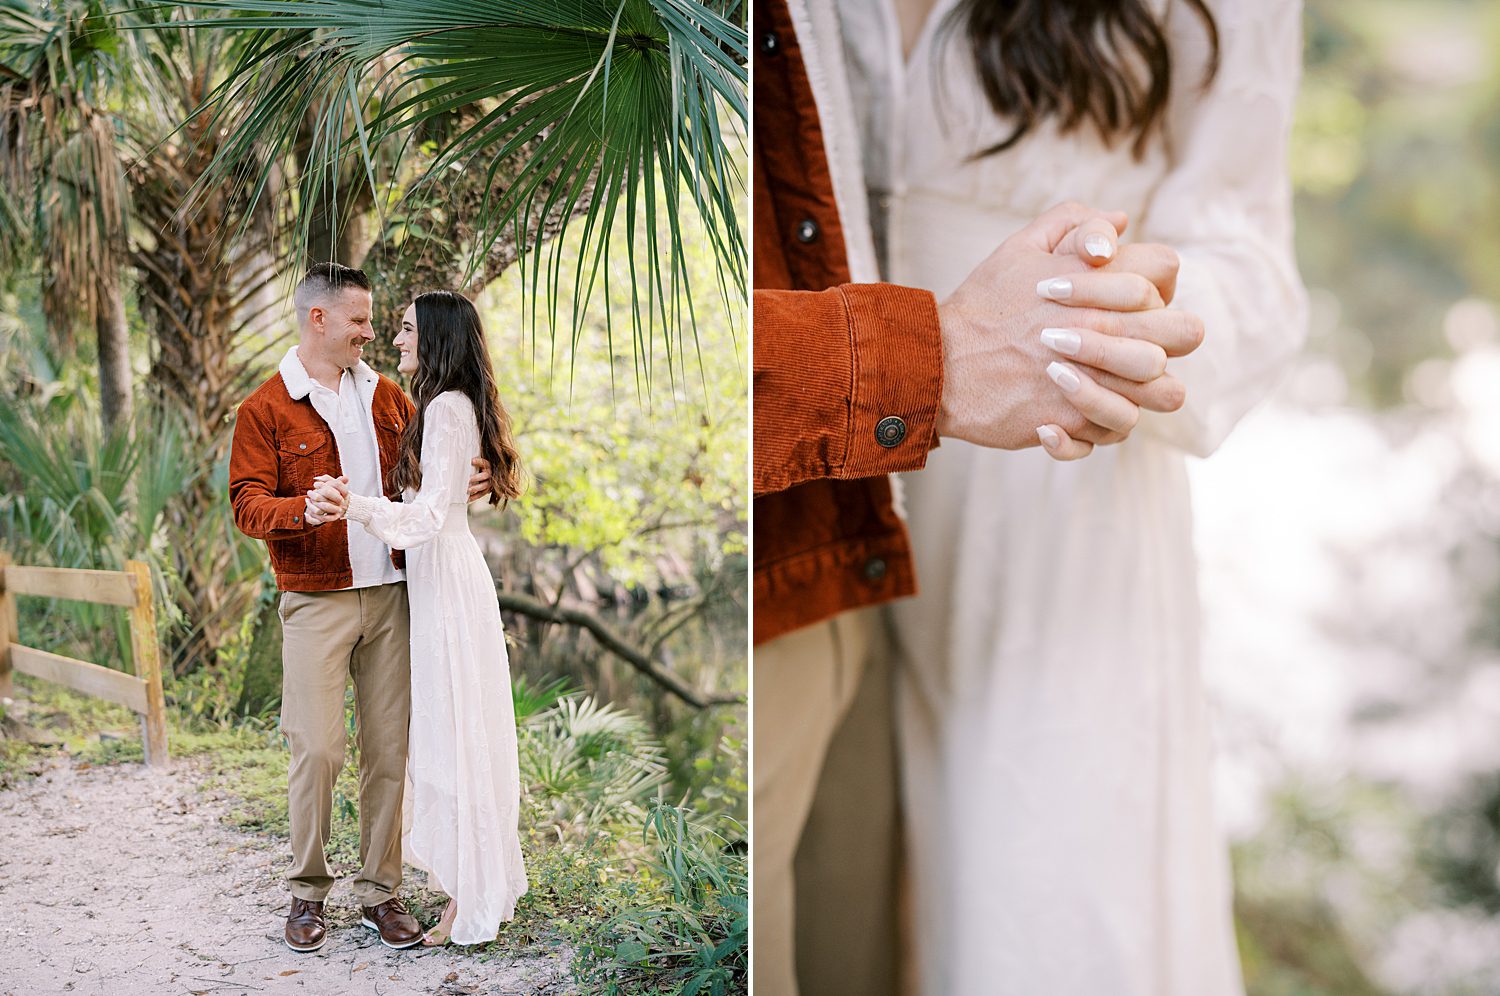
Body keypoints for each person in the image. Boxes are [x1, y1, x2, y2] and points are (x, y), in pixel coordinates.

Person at [806, 0, 1308, 993]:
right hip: (817, 466)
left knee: (1043, 906)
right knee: (823, 912)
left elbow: (1254, 272)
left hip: (1052, 499)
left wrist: (1096, 331)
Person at [228, 264, 491, 953]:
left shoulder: (392, 399)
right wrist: (299, 509)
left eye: (378, 321)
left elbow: (436, 481)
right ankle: (306, 894)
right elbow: (246, 505)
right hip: (315, 598)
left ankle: (380, 892)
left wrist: (478, 476)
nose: (370, 333)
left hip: (398, 598)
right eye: (358, 321)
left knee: (391, 752)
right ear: (318, 319)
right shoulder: (264, 408)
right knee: (316, 747)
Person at [304, 290, 528, 946]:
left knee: (457, 732)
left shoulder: (447, 410)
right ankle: (465, 886)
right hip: (435, 582)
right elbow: (445, 496)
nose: (395, 340)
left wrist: (355, 506)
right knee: (449, 727)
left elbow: (430, 517)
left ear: (434, 339)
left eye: (406, 331)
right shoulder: (438, 408)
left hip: (448, 582)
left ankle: (466, 899)